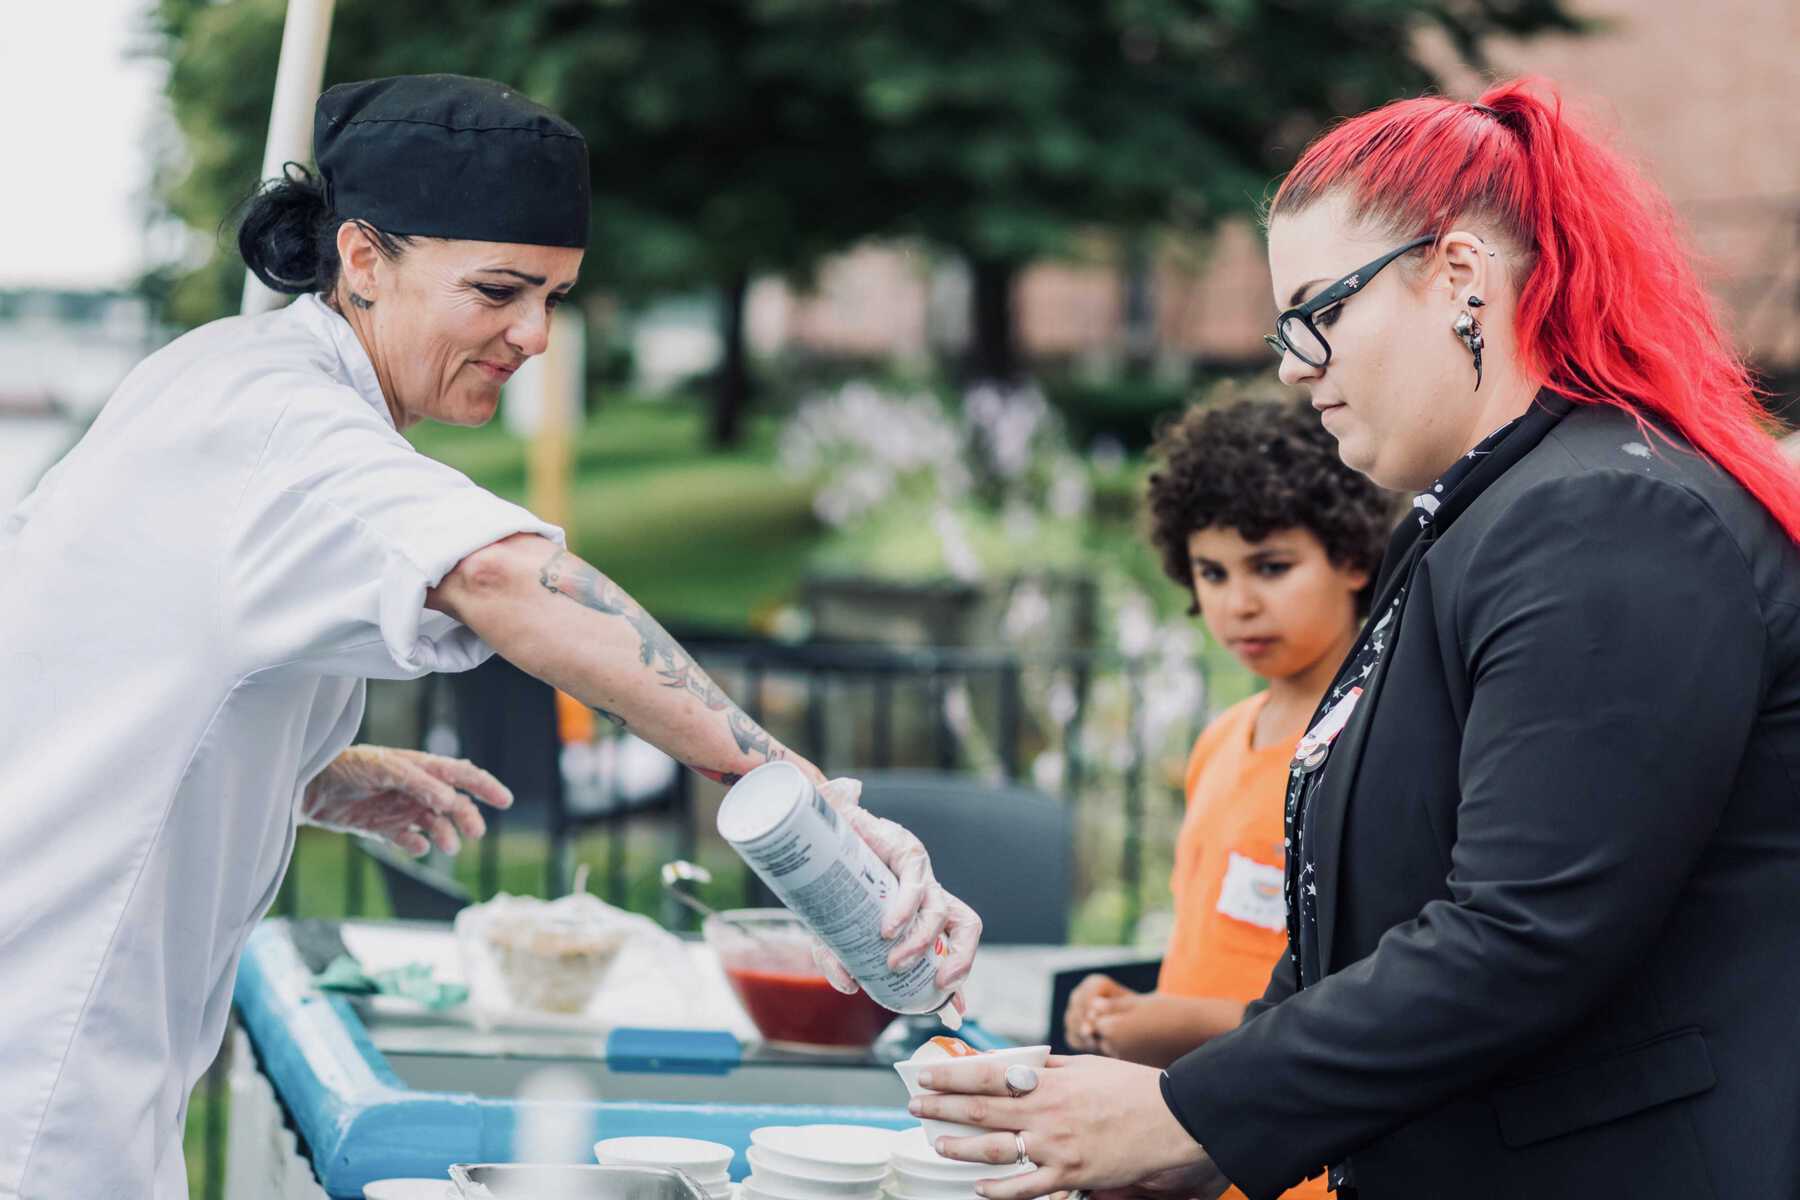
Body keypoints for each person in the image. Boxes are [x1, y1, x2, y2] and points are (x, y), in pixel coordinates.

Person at [0, 75, 978, 1200]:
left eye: (556, 296)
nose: (535, 336)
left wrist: (310, 773)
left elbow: (92, 660)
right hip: (43, 1065)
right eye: (500, 291)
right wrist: (800, 794)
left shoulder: (218, 379)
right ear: (362, 258)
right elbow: (508, 578)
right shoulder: (282, 422)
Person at [908, 76, 1800, 1200]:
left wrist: (1194, 1116)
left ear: (1460, 275)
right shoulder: (1474, 520)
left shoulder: (1606, 516)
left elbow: (1527, 933)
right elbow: (1372, 932)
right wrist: (1189, 1124)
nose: (1291, 362)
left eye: (1318, 310)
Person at [1061, 397, 1391, 1200]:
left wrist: (1175, 1023)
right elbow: (1215, 950)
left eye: (1270, 567)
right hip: (1190, 1153)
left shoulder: (1374, 746)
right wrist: (1138, 1012)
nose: (1237, 603)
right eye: (1212, 573)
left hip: (1307, 1166)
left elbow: (1376, 997)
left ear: (1352, 558)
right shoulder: (1222, 738)